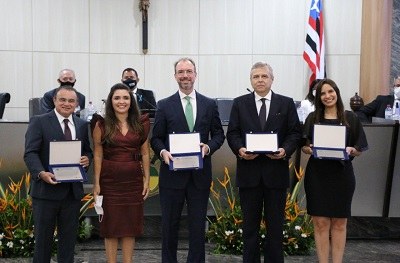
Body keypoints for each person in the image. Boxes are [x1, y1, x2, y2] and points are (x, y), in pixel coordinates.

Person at [150, 57, 225, 262]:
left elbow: (219, 134)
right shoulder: (164, 105)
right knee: (169, 225)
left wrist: (209, 147)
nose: (185, 75)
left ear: (195, 74)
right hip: (172, 176)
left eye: (189, 71)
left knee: (197, 224)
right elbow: (156, 138)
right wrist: (163, 152)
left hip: (199, 176)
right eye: (181, 72)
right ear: (175, 76)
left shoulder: (209, 104)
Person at [226, 62, 301, 263]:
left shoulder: (286, 103)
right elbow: (232, 132)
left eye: (264, 76)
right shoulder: (240, 103)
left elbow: (295, 133)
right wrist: (240, 150)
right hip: (249, 174)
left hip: (275, 174)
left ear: (272, 79)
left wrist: (285, 150)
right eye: (256, 76)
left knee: (275, 227)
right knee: (249, 227)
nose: (260, 80)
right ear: (251, 80)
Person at [301, 78, 368, 263]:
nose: (327, 96)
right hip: (318, 175)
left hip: (342, 175)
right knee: (320, 223)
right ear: (318, 97)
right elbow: (304, 147)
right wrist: (311, 148)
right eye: (322, 93)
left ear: (336, 93)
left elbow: (360, 148)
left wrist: (351, 150)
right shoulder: (312, 118)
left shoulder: (351, 118)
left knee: (339, 223)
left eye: (330, 92)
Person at [24, 85, 92, 263]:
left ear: (77, 103)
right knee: (43, 243)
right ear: (54, 100)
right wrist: (41, 173)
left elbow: (87, 151)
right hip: (46, 192)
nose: (66, 104)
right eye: (62, 99)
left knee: (68, 243)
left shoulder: (82, 125)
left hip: (71, 194)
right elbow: (30, 153)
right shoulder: (39, 121)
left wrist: (87, 159)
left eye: (71, 101)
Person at [91, 83, 151, 263]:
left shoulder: (141, 123)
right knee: (110, 226)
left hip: (133, 181)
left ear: (131, 101)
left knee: (129, 226)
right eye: (117, 98)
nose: (121, 101)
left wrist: (146, 179)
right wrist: (96, 183)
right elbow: (98, 154)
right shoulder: (101, 124)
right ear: (111, 101)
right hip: (109, 182)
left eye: (125, 98)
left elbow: (145, 152)